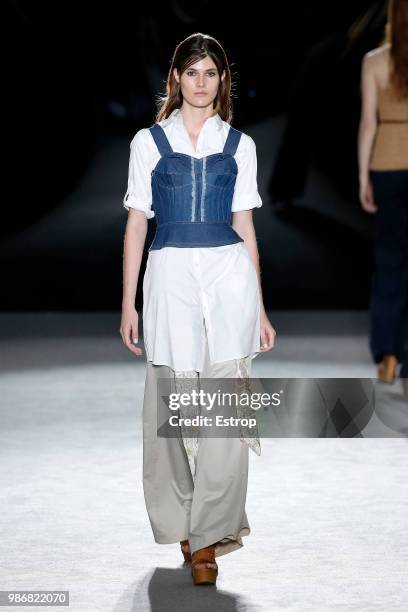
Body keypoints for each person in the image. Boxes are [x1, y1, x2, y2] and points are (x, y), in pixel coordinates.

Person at [119, 32, 276, 586]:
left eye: (211, 72)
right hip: (168, 281)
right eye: (193, 72)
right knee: (174, 408)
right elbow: (137, 222)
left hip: (229, 280)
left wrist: (259, 307)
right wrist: (128, 300)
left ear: (222, 80)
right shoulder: (148, 143)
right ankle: (184, 522)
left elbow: (245, 227)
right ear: (177, 79)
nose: (202, 82)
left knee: (224, 413)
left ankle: (208, 537)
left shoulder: (240, 145)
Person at [358, 0, 408, 396]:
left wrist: (362, 176)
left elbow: (368, 123)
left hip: (386, 163)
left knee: (390, 262)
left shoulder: (375, 61)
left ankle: (388, 356)